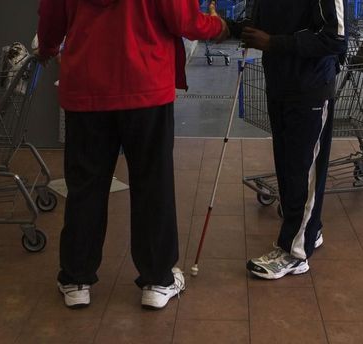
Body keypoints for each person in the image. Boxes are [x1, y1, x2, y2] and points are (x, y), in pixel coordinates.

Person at [37, 0, 228, 309]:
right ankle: (157, 281)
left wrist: (47, 49)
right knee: (153, 185)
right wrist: (218, 27)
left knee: (86, 187)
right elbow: (182, 19)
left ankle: (76, 279)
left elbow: (50, 15)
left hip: (86, 89)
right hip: (146, 86)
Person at [232, 0, 347, 280]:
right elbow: (264, 26)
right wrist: (237, 29)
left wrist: (273, 43)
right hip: (280, 84)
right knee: (286, 168)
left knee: (302, 171)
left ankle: (294, 253)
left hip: (310, 87)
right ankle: (310, 229)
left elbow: (335, 39)